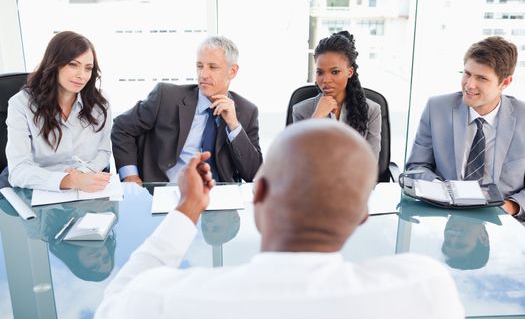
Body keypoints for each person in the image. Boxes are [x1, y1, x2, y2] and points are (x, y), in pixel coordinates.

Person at [96, 120, 464, 319]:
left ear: (258, 193)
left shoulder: (162, 298)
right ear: (361, 217)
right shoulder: (424, 289)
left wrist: (188, 207)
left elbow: (114, 304)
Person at [111, 35, 262, 183]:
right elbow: (122, 128)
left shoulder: (247, 111)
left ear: (232, 71)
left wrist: (234, 126)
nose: (203, 74)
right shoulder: (167, 97)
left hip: (219, 198)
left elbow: (253, 173)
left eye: (212, 67)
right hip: (166, 192)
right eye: (199, 66)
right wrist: (130, 176)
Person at [406, 36, 525, 221]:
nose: (469, 85)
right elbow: (416, 167)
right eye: (467, 73)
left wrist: (511, 206)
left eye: (482, 78)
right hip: (445, 214)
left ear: (505, 83)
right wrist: (440, 189)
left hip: (500, 220)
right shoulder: (437, 108)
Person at [6, 31, 112, 192]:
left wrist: (82, 176)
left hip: (84, 188)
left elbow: (103, 152)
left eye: (88, 68)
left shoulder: (100, 102)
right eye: (73, 64)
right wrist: (69, 180)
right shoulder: (21, 104)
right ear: (54, 63)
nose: (81, 76)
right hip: (38, 188)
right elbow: (18, 170)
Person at [292, 31, 381, 158]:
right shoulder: (301, 111)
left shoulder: (371, 110)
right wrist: (316, 118)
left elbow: (371, 162)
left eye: (334, 72)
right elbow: (298, 162)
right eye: (320, 72)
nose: (326, 80)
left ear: (350, 72)